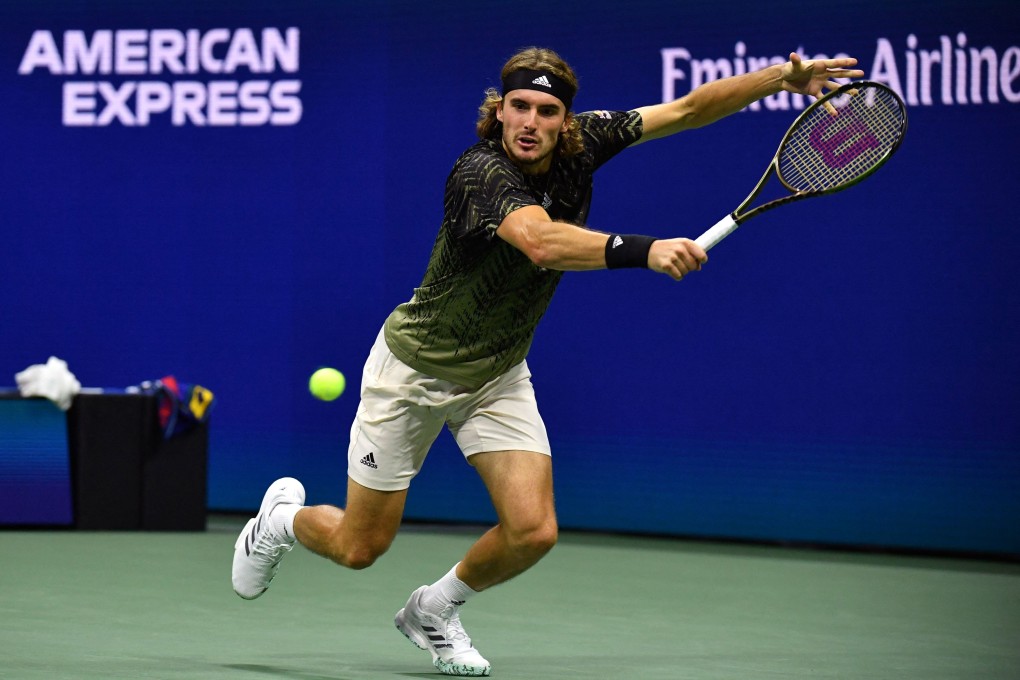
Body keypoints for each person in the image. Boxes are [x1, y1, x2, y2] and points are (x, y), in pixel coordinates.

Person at [232, 46, 864, 677]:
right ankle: (280, 522)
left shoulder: (587, 142)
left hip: (498, 374)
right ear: (498, 111)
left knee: (533, 531)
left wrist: (782, 77)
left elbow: (690, 108)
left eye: (548, 110)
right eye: (519, 107)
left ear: (566, 120)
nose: (531, 121)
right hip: (415, 372)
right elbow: (539, 241)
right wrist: (644, 250)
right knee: (359, 547)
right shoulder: (477, 174)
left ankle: (433, 610)